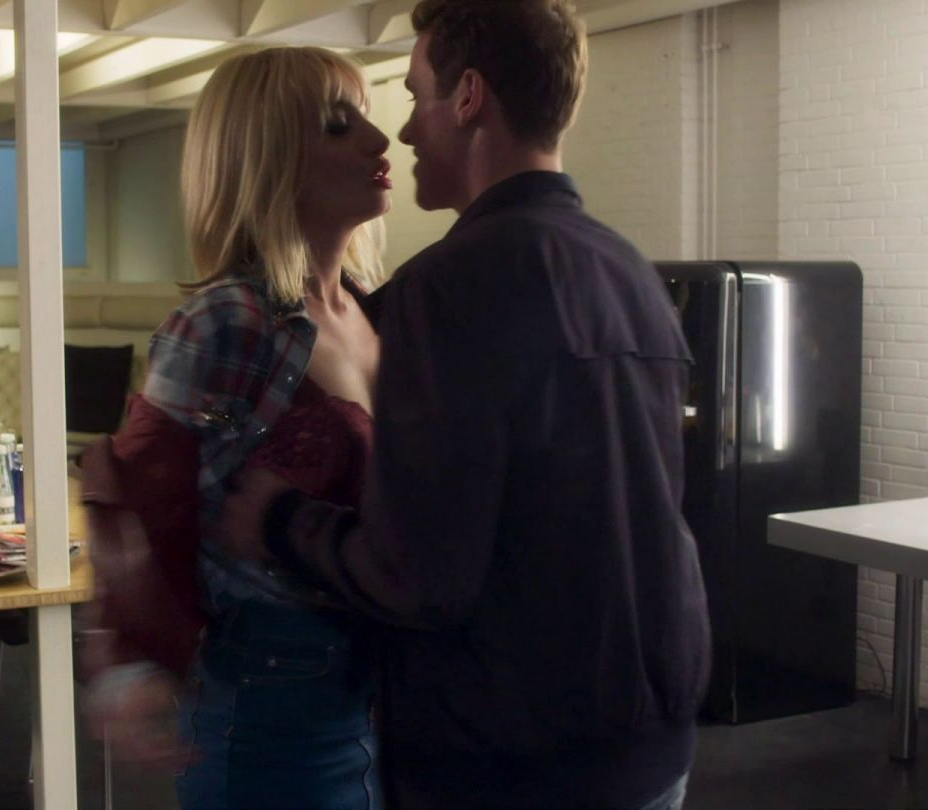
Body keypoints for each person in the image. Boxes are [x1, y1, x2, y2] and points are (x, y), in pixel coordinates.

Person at [218, 1, 712, 808]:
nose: (403, 132)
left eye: (416, 98)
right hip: (652, 742)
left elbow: (417, 575)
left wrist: (279, 521)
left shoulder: (447, 290)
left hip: (513, 760)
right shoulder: (630, 272)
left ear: (470, 97)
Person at [80, 46, 392, 809]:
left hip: (382, 683)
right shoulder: (226, 320)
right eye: (338, 125)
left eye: (366, 118)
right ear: (272, 159)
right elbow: (143, 494)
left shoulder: (374, 307)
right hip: (276, 693)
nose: (380, 141)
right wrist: (132, 662)